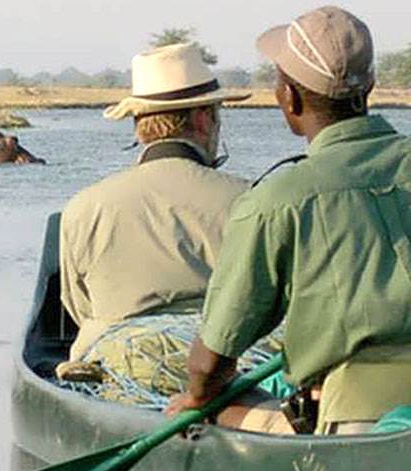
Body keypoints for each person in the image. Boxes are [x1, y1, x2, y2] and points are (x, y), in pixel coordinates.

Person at [166, 6, 411, 435]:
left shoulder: (275, 202)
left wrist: (196, 398)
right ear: (369, 85)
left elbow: (213, 362)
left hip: (354, 417)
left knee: (220, 405)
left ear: (289, 99)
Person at [56, 43, 250, 382]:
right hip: (227, 373)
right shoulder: (252, 200)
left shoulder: (83, 207)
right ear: (204, 120)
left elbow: (79, 308)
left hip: (121, 370)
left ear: (138, 124)